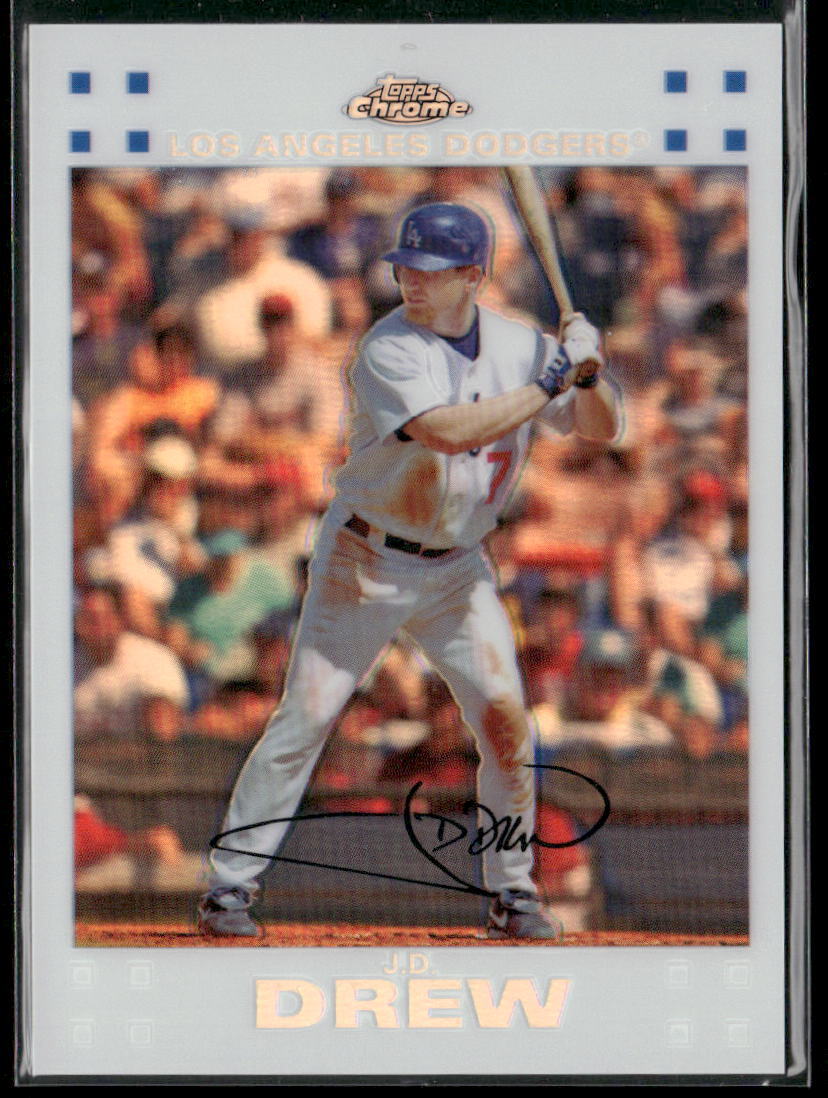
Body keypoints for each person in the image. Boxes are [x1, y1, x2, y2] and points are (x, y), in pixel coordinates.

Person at [197, 201, 621, 940]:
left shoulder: (523, 347)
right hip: (365, 559)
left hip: (459, 567)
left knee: (507, 724)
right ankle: (228, 887)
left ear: (473, 275)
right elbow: (446, 432)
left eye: (431, 270)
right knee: (307, 717)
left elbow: (604, 430)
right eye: (406, 268)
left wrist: (590, 376)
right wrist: (548, 384)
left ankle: (513, 891)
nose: (411, 281)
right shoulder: (387, 346)